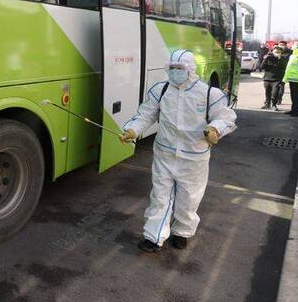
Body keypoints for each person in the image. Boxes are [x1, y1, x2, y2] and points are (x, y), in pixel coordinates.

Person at [119, 50, 237, 252]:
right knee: (159, 196)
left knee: (189, 197)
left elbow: (225, 117)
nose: (175, 72)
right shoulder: (160, 90)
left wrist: (215, 129)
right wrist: (133, 129)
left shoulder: (210, 94)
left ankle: (182, 232)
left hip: (194, 157)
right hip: (164, 153)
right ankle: (154, 236)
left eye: (179, 68)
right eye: (171, 68)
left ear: (190, 69)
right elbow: (146, 114)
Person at [259, 46, 288, 111]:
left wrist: (280, 59)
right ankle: (267, 104)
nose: (277, 53)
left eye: (278, 52)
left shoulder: (283, 59)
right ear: (272, 52)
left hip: (277, 79)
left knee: (275, 92)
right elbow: (261, 67)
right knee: (267, 92)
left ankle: (274, 105)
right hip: (267, 78)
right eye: (275, 52)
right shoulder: (269, 58)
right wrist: (265, 59)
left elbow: (284, 68)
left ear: (281, 53)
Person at [283, 42, 298, 116]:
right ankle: (293, 109)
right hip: (292, 79)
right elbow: (288, 68)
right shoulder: (292, 56)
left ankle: (296, 111)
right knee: (293, 96)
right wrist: (285, 78)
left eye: (295, 45)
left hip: (297, 79)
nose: (293, 46)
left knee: (296, 96)